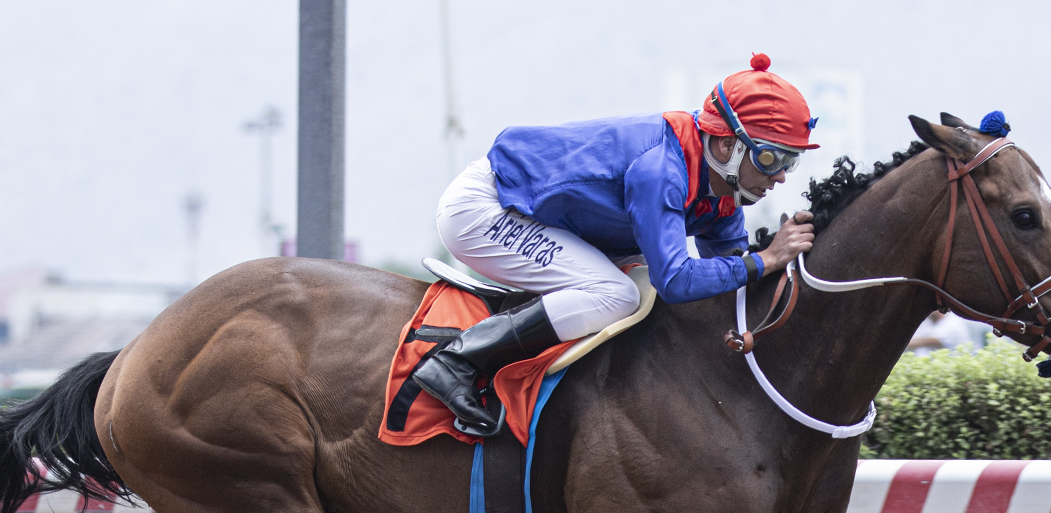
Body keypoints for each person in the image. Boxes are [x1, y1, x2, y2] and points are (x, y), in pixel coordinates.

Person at [414, 53, 819, 435]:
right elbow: (676, 281)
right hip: (486, 210)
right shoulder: (661, 170)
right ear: (728, 144)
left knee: (636, 290)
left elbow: (731, 277)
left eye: (791, 161)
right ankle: (457, 359)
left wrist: (777, 262)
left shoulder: (723, 191)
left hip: (540, 216)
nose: (780, 176)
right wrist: (767, 259)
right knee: (618, 295)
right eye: (771, 159)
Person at [907, 309, 977, 356]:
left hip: (954, 369)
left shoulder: (952, 322)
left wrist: (902, 342)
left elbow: (931, 341)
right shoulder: (928, 322)